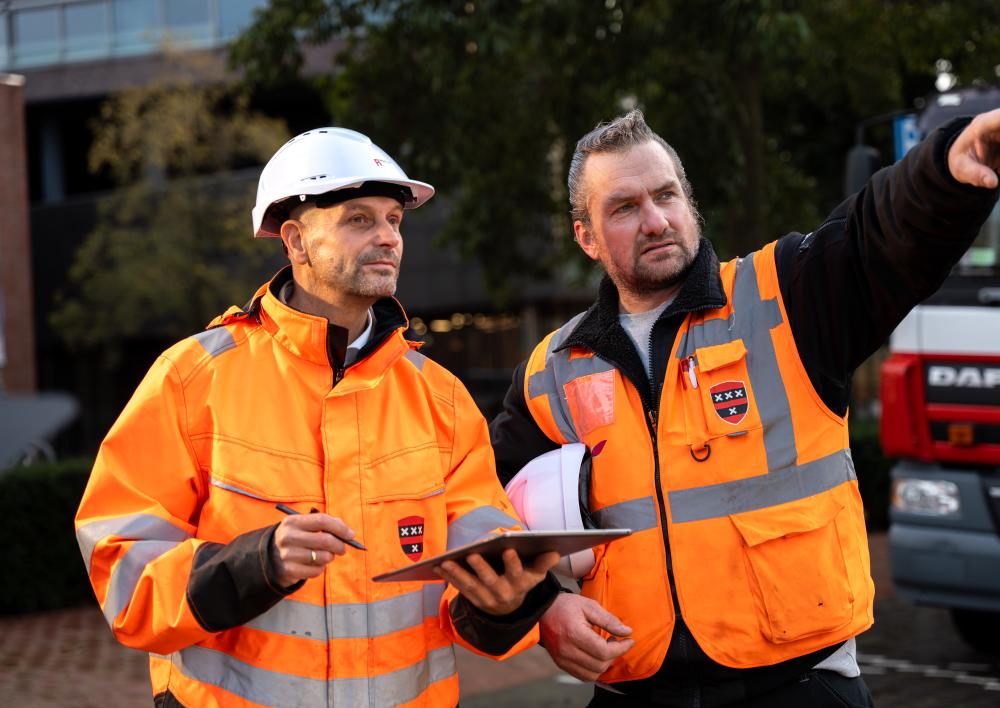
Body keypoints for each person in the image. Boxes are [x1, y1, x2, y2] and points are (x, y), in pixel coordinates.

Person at [490, 108, 1000, 707]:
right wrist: (542, 609)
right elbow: (481, 508)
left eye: (666, 195)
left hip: (799, 686)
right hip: (635, 690)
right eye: (624, 208)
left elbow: (874, 235)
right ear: (587, 236)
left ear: (690, 203)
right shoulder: (555, 368)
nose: (655, 220)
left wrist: (945, 167)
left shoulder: (783, 295)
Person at [75, 127, 561, 707]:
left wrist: (505, 602)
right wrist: (256, 565)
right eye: (359, 219)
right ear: (296, 241)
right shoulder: (192, 378)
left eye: (393, 220)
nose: (387, 238)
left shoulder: (442, 398)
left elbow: (482, 562)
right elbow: (123, 565)